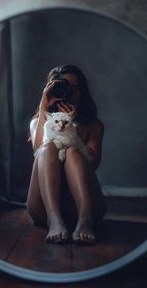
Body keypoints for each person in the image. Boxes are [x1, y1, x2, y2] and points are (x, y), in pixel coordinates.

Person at [27, 64, 106, 245]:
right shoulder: (38, 122)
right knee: (47, 148)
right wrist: (43, 106)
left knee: (72, 152)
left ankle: (85, 219)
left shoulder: (93, 125)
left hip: (83, 204)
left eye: (74, 89)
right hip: (43, 208)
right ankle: (54, 219)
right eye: (62, 87)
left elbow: (92, 164)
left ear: (82, 91)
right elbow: (37, 152)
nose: (69, 93)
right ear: (51, 89)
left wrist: (70, 127)